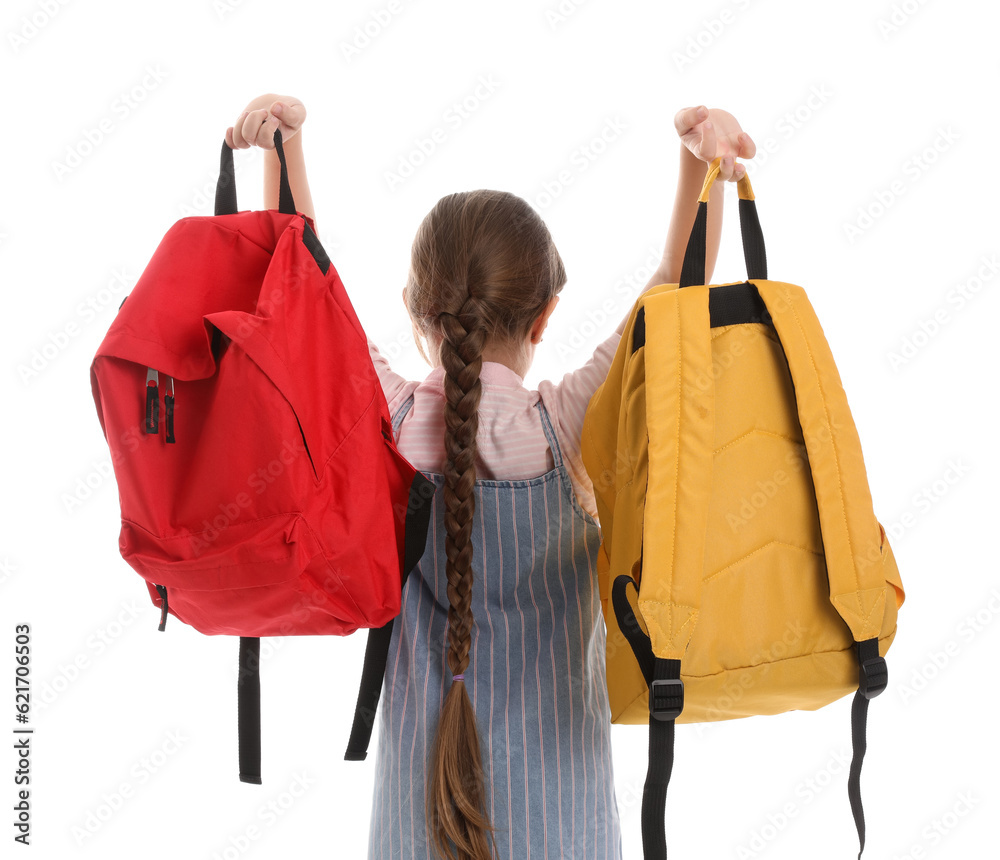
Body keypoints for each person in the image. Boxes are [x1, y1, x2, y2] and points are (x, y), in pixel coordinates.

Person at [227, 94, 754, 860]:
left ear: (418, 311)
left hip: (417, 809)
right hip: (564, 813)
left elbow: (304, 285)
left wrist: (283, 146)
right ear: (543, 318)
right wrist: (700, 163)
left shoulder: (393, 419)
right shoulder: (570, 424)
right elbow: (677, 287)